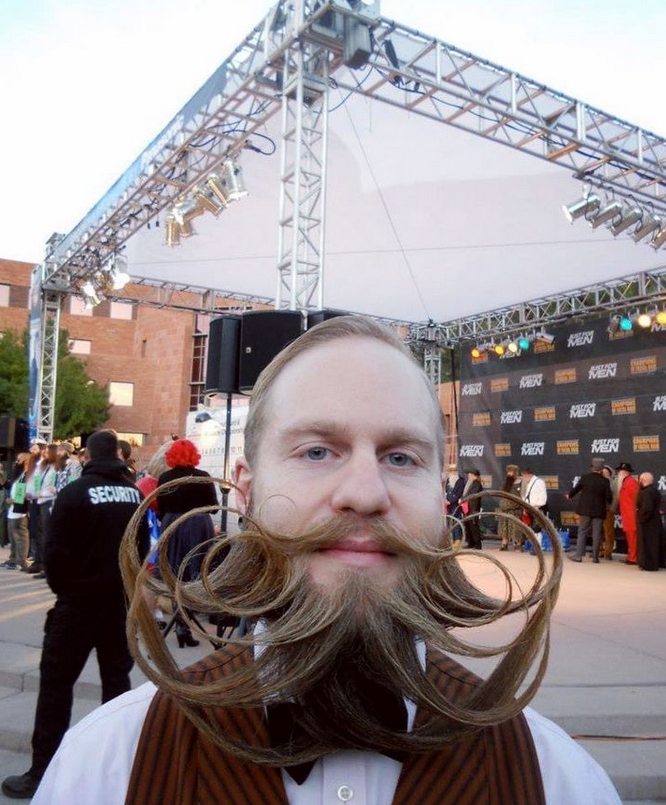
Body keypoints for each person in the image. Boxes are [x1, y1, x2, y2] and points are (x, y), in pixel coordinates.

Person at [30, 317, 620, 805]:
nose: (364, 492)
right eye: (317, 451)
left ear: (440, 500)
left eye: (401, 457)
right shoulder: (105, 767)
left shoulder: (560, 779)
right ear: (246, 489)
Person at [1, 430, 149, 800]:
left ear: (88, 456)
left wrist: (66, 590)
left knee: (55, 687)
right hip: (117, 605)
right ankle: (121, 769)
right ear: (116, 453)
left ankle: (43, 770)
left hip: (78, 606)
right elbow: (142, 548)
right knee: (117, 688)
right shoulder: (134, 495)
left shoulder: (74, 494)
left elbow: (53, 550)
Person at [156, 438, 218, 647]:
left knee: (175, 574)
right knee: (195, 574)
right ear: (194, 456)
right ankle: (187, 621)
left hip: (172, 525)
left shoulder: (165, 477)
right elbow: (213, 508)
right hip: (197, 527)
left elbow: (161, 508)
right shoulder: (202, 477)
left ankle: (180, 624)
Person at [567, 458, 612, 563]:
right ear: (601, 469)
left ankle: (578, 556)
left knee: (582, 531)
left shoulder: (585, 478)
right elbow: (609, 497)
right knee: (597, 534)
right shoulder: (605, 481)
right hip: (599, 511)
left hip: (585, 510)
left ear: (592, 467)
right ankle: (595, 558)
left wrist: (569, 495)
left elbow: (575, 489)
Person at [0, 454, 30, 571]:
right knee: (13, 536)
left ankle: (22, 561)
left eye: (19, 460)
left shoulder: (27, 475)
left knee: (21, 537)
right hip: (12, 510)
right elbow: (7, 485)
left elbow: (23, 494)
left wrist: (11, 500)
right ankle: (13, 559)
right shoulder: (18, 475)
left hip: (19, 511)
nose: (16, 462)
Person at [636, 472, 665, 572]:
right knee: (654, 543)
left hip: (647, 522)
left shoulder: (646, 492)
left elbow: (647, 507)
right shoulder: (655, 491)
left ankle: (648, 565)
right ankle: (656, 563)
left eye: (640, 480)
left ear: (643, 480)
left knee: (647, 544)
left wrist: (641, 517)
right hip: (655, 521)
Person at [615, 462, 639, 565]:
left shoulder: (631, 482)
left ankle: (633, 558)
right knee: (630, 537)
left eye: (620, 471)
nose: (618, 473)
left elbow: (637, 499)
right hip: (627, 515)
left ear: (624, 472)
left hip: (631, 515)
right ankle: (631, 556)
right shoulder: (625, 482)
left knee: (633, 537)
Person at [498, 464, 523, 551]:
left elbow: (522, 495)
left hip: (516, 509)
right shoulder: (506, 482)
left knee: (516, 528)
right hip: (505, 509)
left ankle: (518, 544)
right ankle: (504, 544)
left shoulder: (521, 482)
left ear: (515, 473)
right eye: (508, 472)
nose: (509, 474)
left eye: (511, 472)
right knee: (504, 527)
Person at [444, 462, 465, 548]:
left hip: (455, 505)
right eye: (451, 471)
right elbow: (446, 491)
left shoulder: (460, 481)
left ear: (456, 471)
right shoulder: (448, 480)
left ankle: (458, 540)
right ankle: (451, 539)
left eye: (454, 471)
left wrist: (451, 501)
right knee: (449, 522)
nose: (452, 472)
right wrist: (445, 500)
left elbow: (459, 494)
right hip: (448, 505)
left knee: (456, 522)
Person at [461, 468, 483, 549]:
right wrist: (463, 499)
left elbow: (473, 495)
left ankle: (477, 544)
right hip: (467, 508)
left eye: (470, 474)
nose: (468, 475)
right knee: (468, 526)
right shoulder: (470, 483)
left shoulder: (477, 484)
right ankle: (470, 543)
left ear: (474, 475)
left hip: (473, 508)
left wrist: (465, 499)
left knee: (474, 526)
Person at [599, 466, 616, 560]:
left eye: (606, 472)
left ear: (610, 473)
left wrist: (612, 509)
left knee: (608, 532)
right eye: (603, 472)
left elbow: (615, 497)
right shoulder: (598, 482)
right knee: (598, 532)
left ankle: (608, 553)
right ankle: (599, 551)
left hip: (608, 510)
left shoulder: (613, 483)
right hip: (597, 510)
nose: (604, 474)